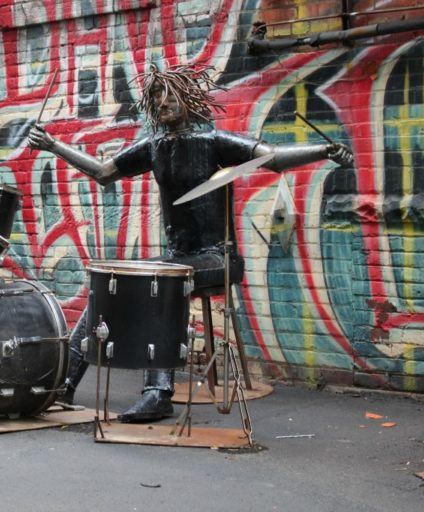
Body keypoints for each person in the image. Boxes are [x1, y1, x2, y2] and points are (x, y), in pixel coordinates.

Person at [28, 65, 353, 422]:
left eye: (168, 94)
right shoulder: (153, 147)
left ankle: (158, 393)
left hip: (218, 257)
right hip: (179, 258)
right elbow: (104, 172)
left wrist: (324, 150)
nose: (162, 102)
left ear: (187, 99)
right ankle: (65, 385)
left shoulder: (213, 142)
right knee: (107, 280)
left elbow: (271, 158)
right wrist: (52, 144)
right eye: (155, 97)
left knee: (163, 280)